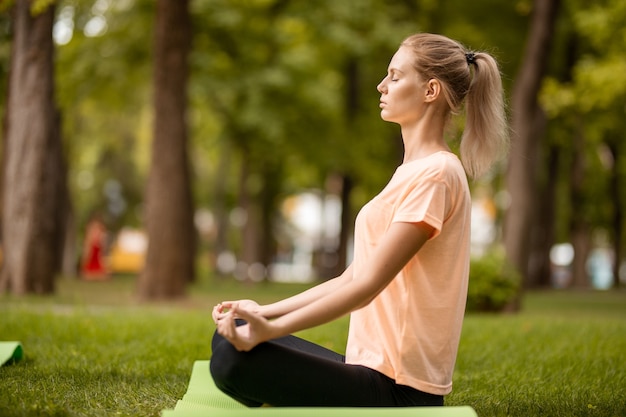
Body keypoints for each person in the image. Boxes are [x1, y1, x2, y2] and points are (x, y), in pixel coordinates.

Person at [210, 32, 507, 407]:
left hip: (400, 389)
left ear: (431, 90)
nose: (382, 86)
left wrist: (273, 330)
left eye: (395, 76)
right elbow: (352, 276)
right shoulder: (412, 171)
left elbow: (367, 285)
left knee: (231, 359)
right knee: (229, 334)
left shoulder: (437, 174)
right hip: (368, 368)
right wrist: (261, 312)